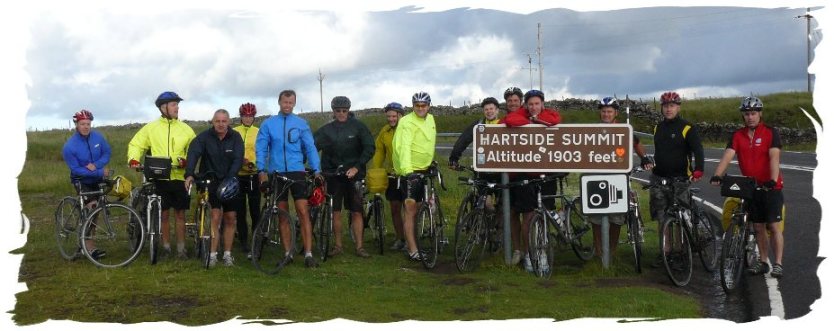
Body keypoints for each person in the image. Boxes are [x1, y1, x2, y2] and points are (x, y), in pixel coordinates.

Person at [710, 97, 785, 278]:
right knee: (758, 227)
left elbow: (774, 157)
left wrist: (773, 180)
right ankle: (763, 262)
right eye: (746, 114)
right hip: (752, 187)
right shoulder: (738, 135)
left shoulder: (770, 132)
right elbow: (728, 155)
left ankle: (778, 264)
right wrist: (717, 174)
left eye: (753, 113)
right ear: (743, 116)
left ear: (760, 114)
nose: (750, 117)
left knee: (773, 226)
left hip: (771, 188)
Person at [255, 89, 321, 268]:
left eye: (291, 102)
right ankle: (287, 253)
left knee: (303, 211)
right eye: (285, 102)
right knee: (282, 214)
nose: (288, 105)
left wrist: (316, 169)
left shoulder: (301, 123)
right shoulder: (269, 124)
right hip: (277, 172)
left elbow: (310, 147)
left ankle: (308, 254)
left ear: (294, 103)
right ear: (279, 102)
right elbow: (261, 148)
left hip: (296, 171)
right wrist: (261, 170)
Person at [127, 91, 196, 259]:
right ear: (163, 107)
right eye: (173, 104)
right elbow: (137, 144)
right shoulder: (151, 128)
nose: (177, 107)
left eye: (177, 105)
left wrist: (186, 161)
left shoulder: (186, 129)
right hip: (159, 177)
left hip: (179, 178)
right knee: (163, 214)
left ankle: (181, 249)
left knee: (180, 214)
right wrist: (134, 159)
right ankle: (165, 247)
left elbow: (194, 150)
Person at [502, 89, 561, 273]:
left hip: (547, 174)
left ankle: (542, 253)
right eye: (530, 104)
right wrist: (530, 123)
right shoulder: (522, 114)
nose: (534, 107)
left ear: (542, 103)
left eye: (537, 103)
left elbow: (555, 120)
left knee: (545, 214)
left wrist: (538, 121)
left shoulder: (548, 113)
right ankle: (529, 254)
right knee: (528, 216)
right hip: (526, 176)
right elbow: (509, 121)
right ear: (525, 105)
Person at [587, 97, 654, 259]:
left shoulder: (624, 129)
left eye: (609, 111)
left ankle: (612, 251)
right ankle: (599, 253)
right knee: (595, 218)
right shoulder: (593, 130)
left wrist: (644, 157)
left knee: (616, 219)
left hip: (618, 179)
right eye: (603, 111)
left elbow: (636, 143)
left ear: (616, 113)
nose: (606, 114)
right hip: (597, 178)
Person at [314, 96, 375, 258]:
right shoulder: (326, 130)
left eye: (344, 111)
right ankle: (338, 245)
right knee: (336, 212)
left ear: (348, 110)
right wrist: (313, 168)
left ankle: (360, 247)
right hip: (333, 175)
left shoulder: (358, 127)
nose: (341, 114)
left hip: (353, 175)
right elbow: (312, 147)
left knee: (356, 211)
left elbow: (369, 147)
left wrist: (357, 166)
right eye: (338, 111)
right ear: (333, 111)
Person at [649, 91, 705, 267]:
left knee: (680, 218)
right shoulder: (658, 127)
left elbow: (698, 150)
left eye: (672, 106)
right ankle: (665, 253)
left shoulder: (687, 127)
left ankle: (680, 251)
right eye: (665, 106)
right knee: (662, 217)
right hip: (659, 178)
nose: (668, 109)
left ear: (678, 107)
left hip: (680, 179)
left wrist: (698, 170)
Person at [183, 109, 244, 267]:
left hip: (230, 182)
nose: (221, 124)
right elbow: (193, 153)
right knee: (215, 217)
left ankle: (228, 255)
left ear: (229, 122)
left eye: (224, 121)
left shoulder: (236, 137)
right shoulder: (204, 137)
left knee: (230, 218)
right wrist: (189, 174)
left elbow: (238, 159)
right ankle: (212, 255)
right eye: (218, 121)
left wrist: (231, 177)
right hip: (210, 181)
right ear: (213, 121)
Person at [392, 91, 437, 261]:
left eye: (423, 105)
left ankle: (416, 241)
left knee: (419, 208)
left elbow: (428, 143)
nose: (420, 108)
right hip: (410, 171)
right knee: (410, 210)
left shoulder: (431, 120)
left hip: (424, 169)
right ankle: (412, 249)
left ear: (429, 106)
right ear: (413, 106)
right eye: (417, 105)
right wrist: (408, 172)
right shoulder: (406, 122)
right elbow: (403, 147)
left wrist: (430, 162)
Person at [62, 109, 111, 260]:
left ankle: (85, 239)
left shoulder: (98, 137)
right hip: (81, 180)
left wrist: (96, 165)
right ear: (76, 124)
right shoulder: (70, 146)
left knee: (95, 212)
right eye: (82, 124)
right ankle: (89, 248)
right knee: (92, 208)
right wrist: (99, 172)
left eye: (88, 124)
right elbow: (76, 170)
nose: (86, 127)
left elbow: (107, 153)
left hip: (96, 177)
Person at [371, 102, 407, 251]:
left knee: (410, 208)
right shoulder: (384, 132)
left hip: (408, 173)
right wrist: (377, 170)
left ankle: (412, 239)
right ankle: (400, 238)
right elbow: (379, 151)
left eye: (394, 116)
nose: (391, 119)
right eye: (389, 116)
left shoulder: (407, 129)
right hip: (392, 174)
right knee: (394, 207)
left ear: (401, 115)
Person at [233, 103, 260, 258]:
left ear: (254, 117)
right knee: (240, 210)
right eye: (245, 116)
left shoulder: (259, 131)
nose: (248, 118)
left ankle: (256, 239)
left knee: (255, 210)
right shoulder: (234, 131)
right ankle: (243, 240)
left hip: (254, 174)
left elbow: (263, 151)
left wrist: (254, 164)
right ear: (241, 116)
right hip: (238, 175)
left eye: (250, 116)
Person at [502, 86, 526, 265]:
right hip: (510, 175)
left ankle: (529, 249)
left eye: (515, 100)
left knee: (528, 214)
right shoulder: (503, 121)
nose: (512, 103)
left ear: (521, 101)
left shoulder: (530, 114)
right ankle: (518, 250)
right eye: (509, 101)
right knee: (511, 213)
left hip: (529, 173)